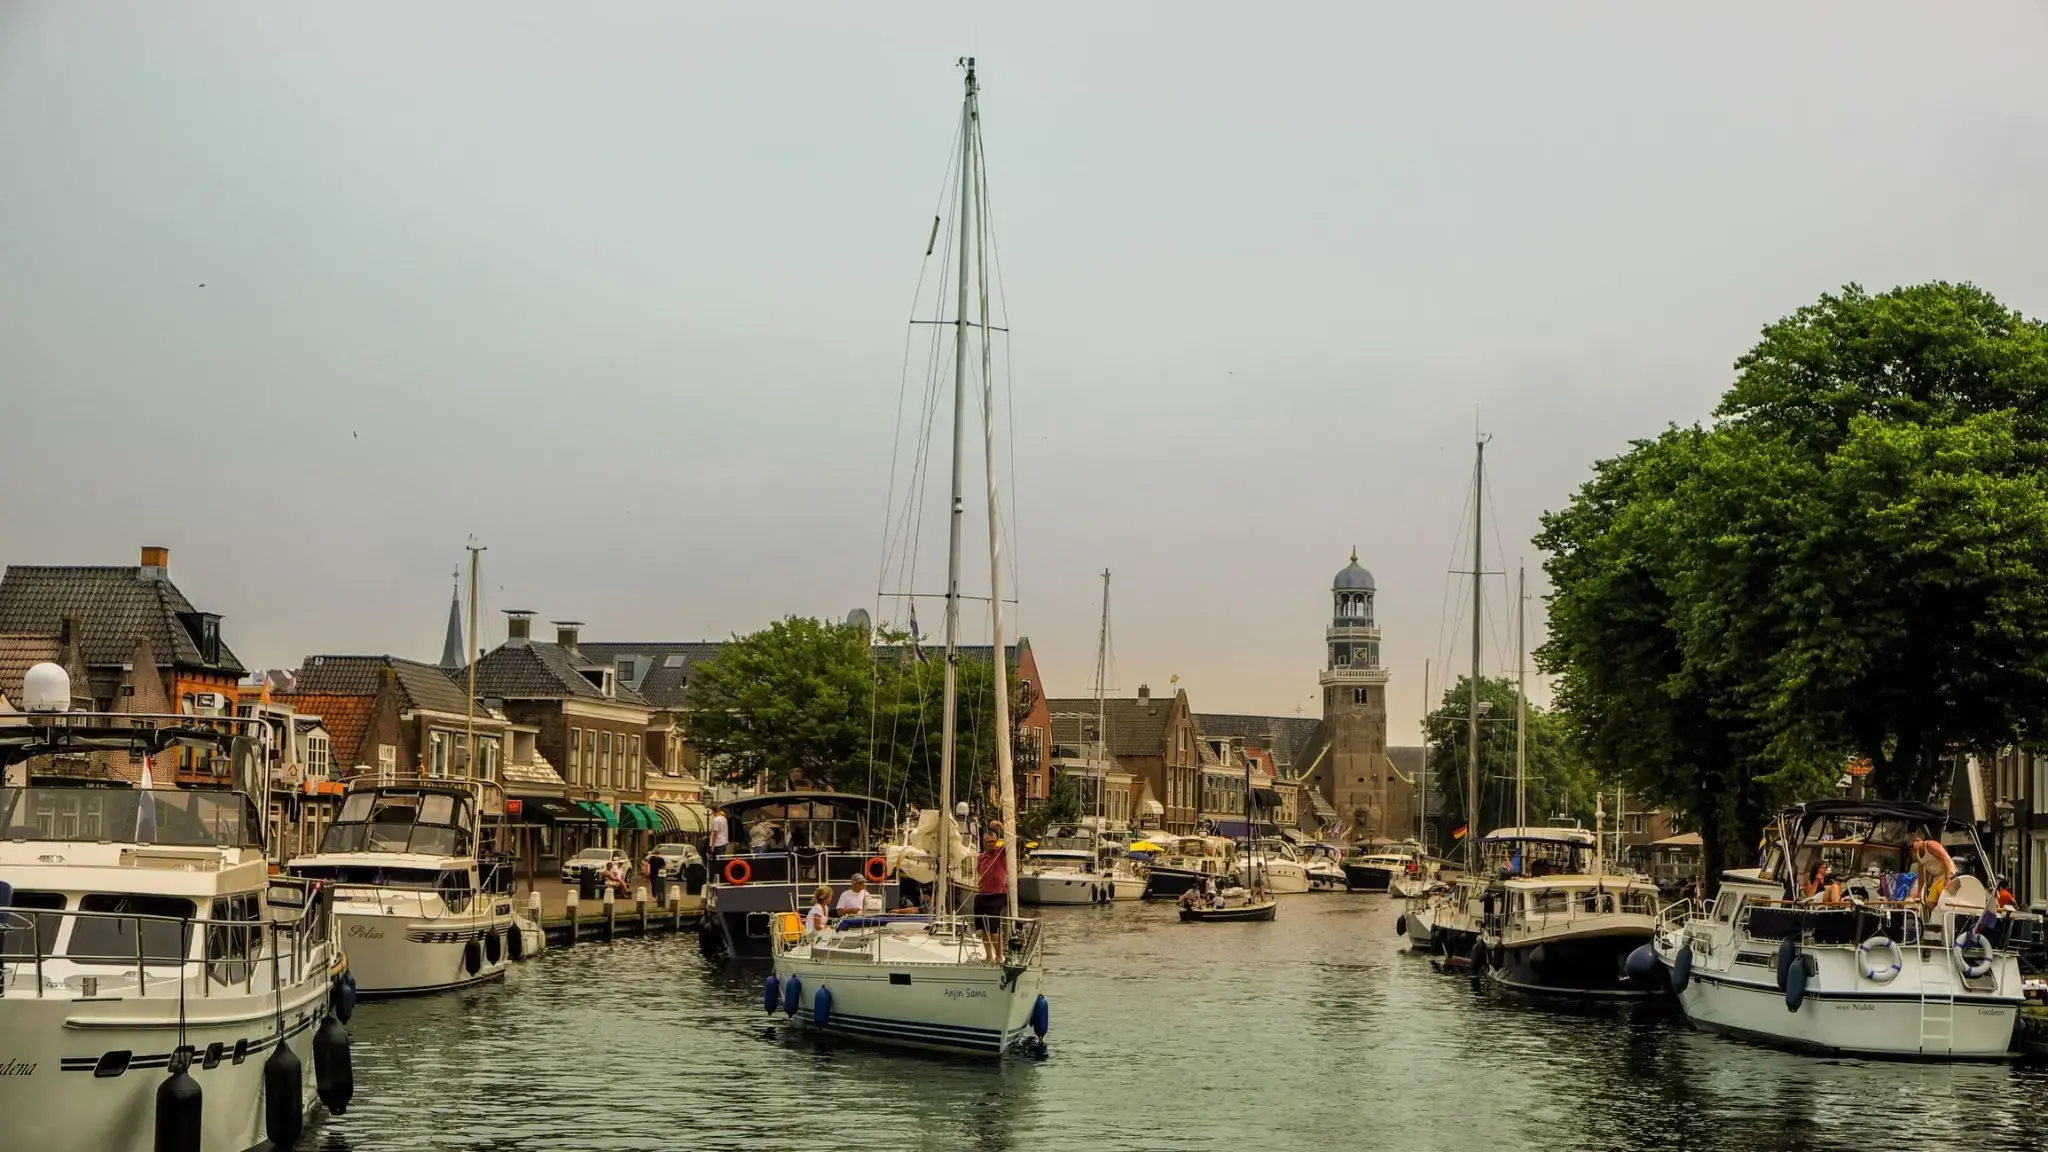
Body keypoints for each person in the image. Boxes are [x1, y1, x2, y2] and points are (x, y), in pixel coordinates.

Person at [974, 834, 1007, 963]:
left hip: (996, 895)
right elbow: (979, 871)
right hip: (982, 895)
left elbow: (1009, 840)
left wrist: (1001, 827)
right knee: (984, 929)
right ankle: (989, 957)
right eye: (988, 842)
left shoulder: (1000, 854)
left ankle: (999, 957)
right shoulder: (981, 857)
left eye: (993, 841)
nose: (991, 844)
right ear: (984, 844)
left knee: (994, 930)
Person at [1908, 831, 1957, 916]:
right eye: (1910, 847)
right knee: (1930, 903)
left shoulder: (1930, 845)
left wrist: (1948, 878)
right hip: (1937, 877)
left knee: (1945, 901)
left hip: (1947, 874)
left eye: (1912, 846)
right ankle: (1938, 918)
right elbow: (1921, 875)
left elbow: (1945, 859)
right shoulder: (1919, 856)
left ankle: (1946, 918)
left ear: (1918, 840)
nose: (1911, 849)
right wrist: (1919, 892)